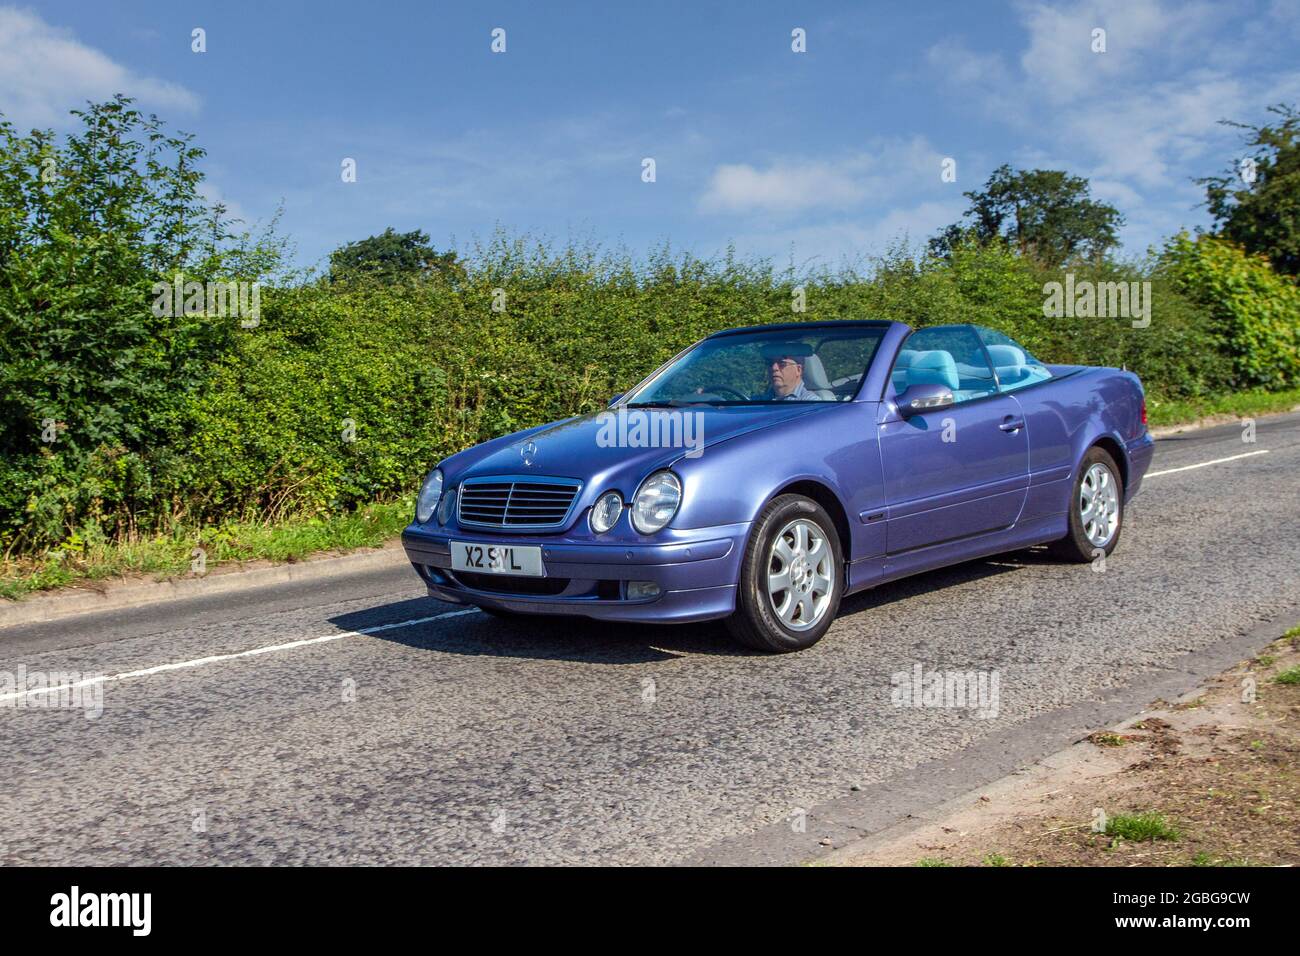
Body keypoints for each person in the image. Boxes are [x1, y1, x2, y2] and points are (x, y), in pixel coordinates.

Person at [755, 343, 823, 401]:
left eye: (782, 363)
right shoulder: (757, 401)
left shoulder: (811, 402)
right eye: (770, 363)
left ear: (798, 370)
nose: (774, 368)